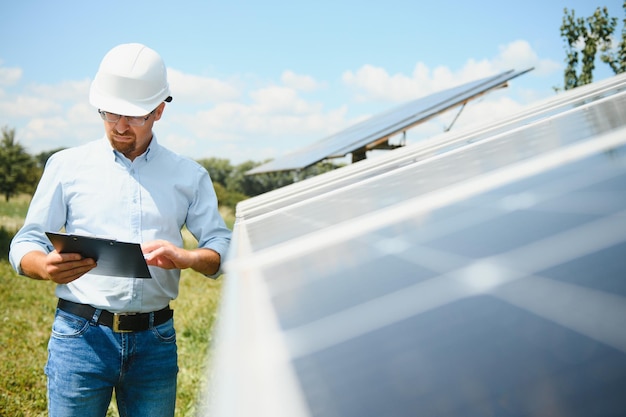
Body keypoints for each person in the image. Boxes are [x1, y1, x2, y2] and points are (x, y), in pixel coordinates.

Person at [9, 43, 232, 417]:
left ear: (159, 110)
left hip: (155, 341)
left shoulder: (189, 176)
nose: (120, 126)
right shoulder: (66, 166)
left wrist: (191, 258)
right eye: (110, 113)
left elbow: (222, 244)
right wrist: (41, 265)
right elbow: (26, 240)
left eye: (133, 116)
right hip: (80, 337)